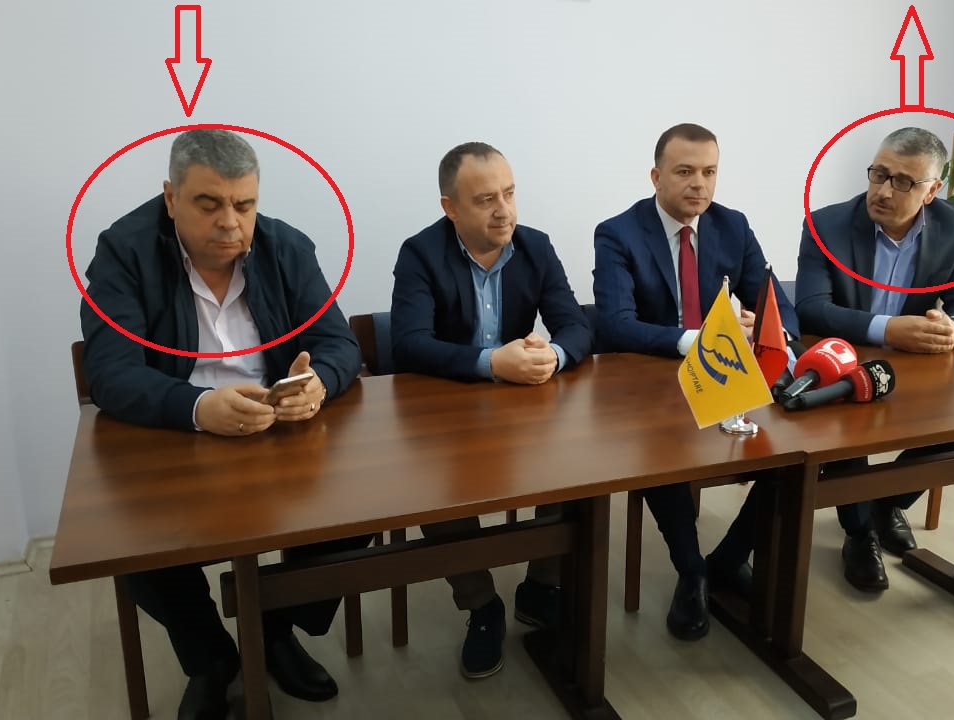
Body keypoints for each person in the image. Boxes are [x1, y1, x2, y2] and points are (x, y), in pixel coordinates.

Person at [80, 129, 366, 720]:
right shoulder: (124, 252)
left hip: (276, 432)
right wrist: (196, 406)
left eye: (244, 204)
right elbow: (109, 372)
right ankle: (213, 661)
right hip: (173, 435)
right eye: (208, 204)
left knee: (360, 508)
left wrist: (318, 383)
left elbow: (339, 343)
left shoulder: (287, 248)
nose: (230, 223)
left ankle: (274, 628)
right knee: (140, 543)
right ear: (170, 198)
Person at [391, 141, 592, 678]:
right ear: (450, 208)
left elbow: (576, 326)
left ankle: (541, 585)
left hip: (520, 411)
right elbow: (408, 344)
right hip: (445, 415)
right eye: (485, 200)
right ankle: (482, 606)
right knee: (437, 493)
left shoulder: (535, 246)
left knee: (576, 468)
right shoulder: (420, 253)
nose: (504, 211)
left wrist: (554, 354)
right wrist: (489, 363)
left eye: (509, 194)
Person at [593, 123, 798, 641]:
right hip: (649, 387)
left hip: (723, 380)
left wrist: (768, 328)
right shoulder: (618, 233)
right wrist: (695, 340)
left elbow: (777, 304)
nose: (699, 184)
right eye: (685, 171)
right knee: (662, 455)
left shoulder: (732, 226)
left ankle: (727, 557)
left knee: (792, 453)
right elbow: (614, 324)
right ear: (656, 176)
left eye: (709, 172)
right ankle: (692, 571)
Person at [794, 126, 954, 592]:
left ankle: (885, 503)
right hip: (843, 365)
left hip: (911, 369)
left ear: (932, 191)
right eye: (878, 174)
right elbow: (811, 308)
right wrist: (887, 328)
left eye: (903, 181)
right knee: (846, 432)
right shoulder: (827, 225)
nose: (883, 191)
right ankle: (860, 534)